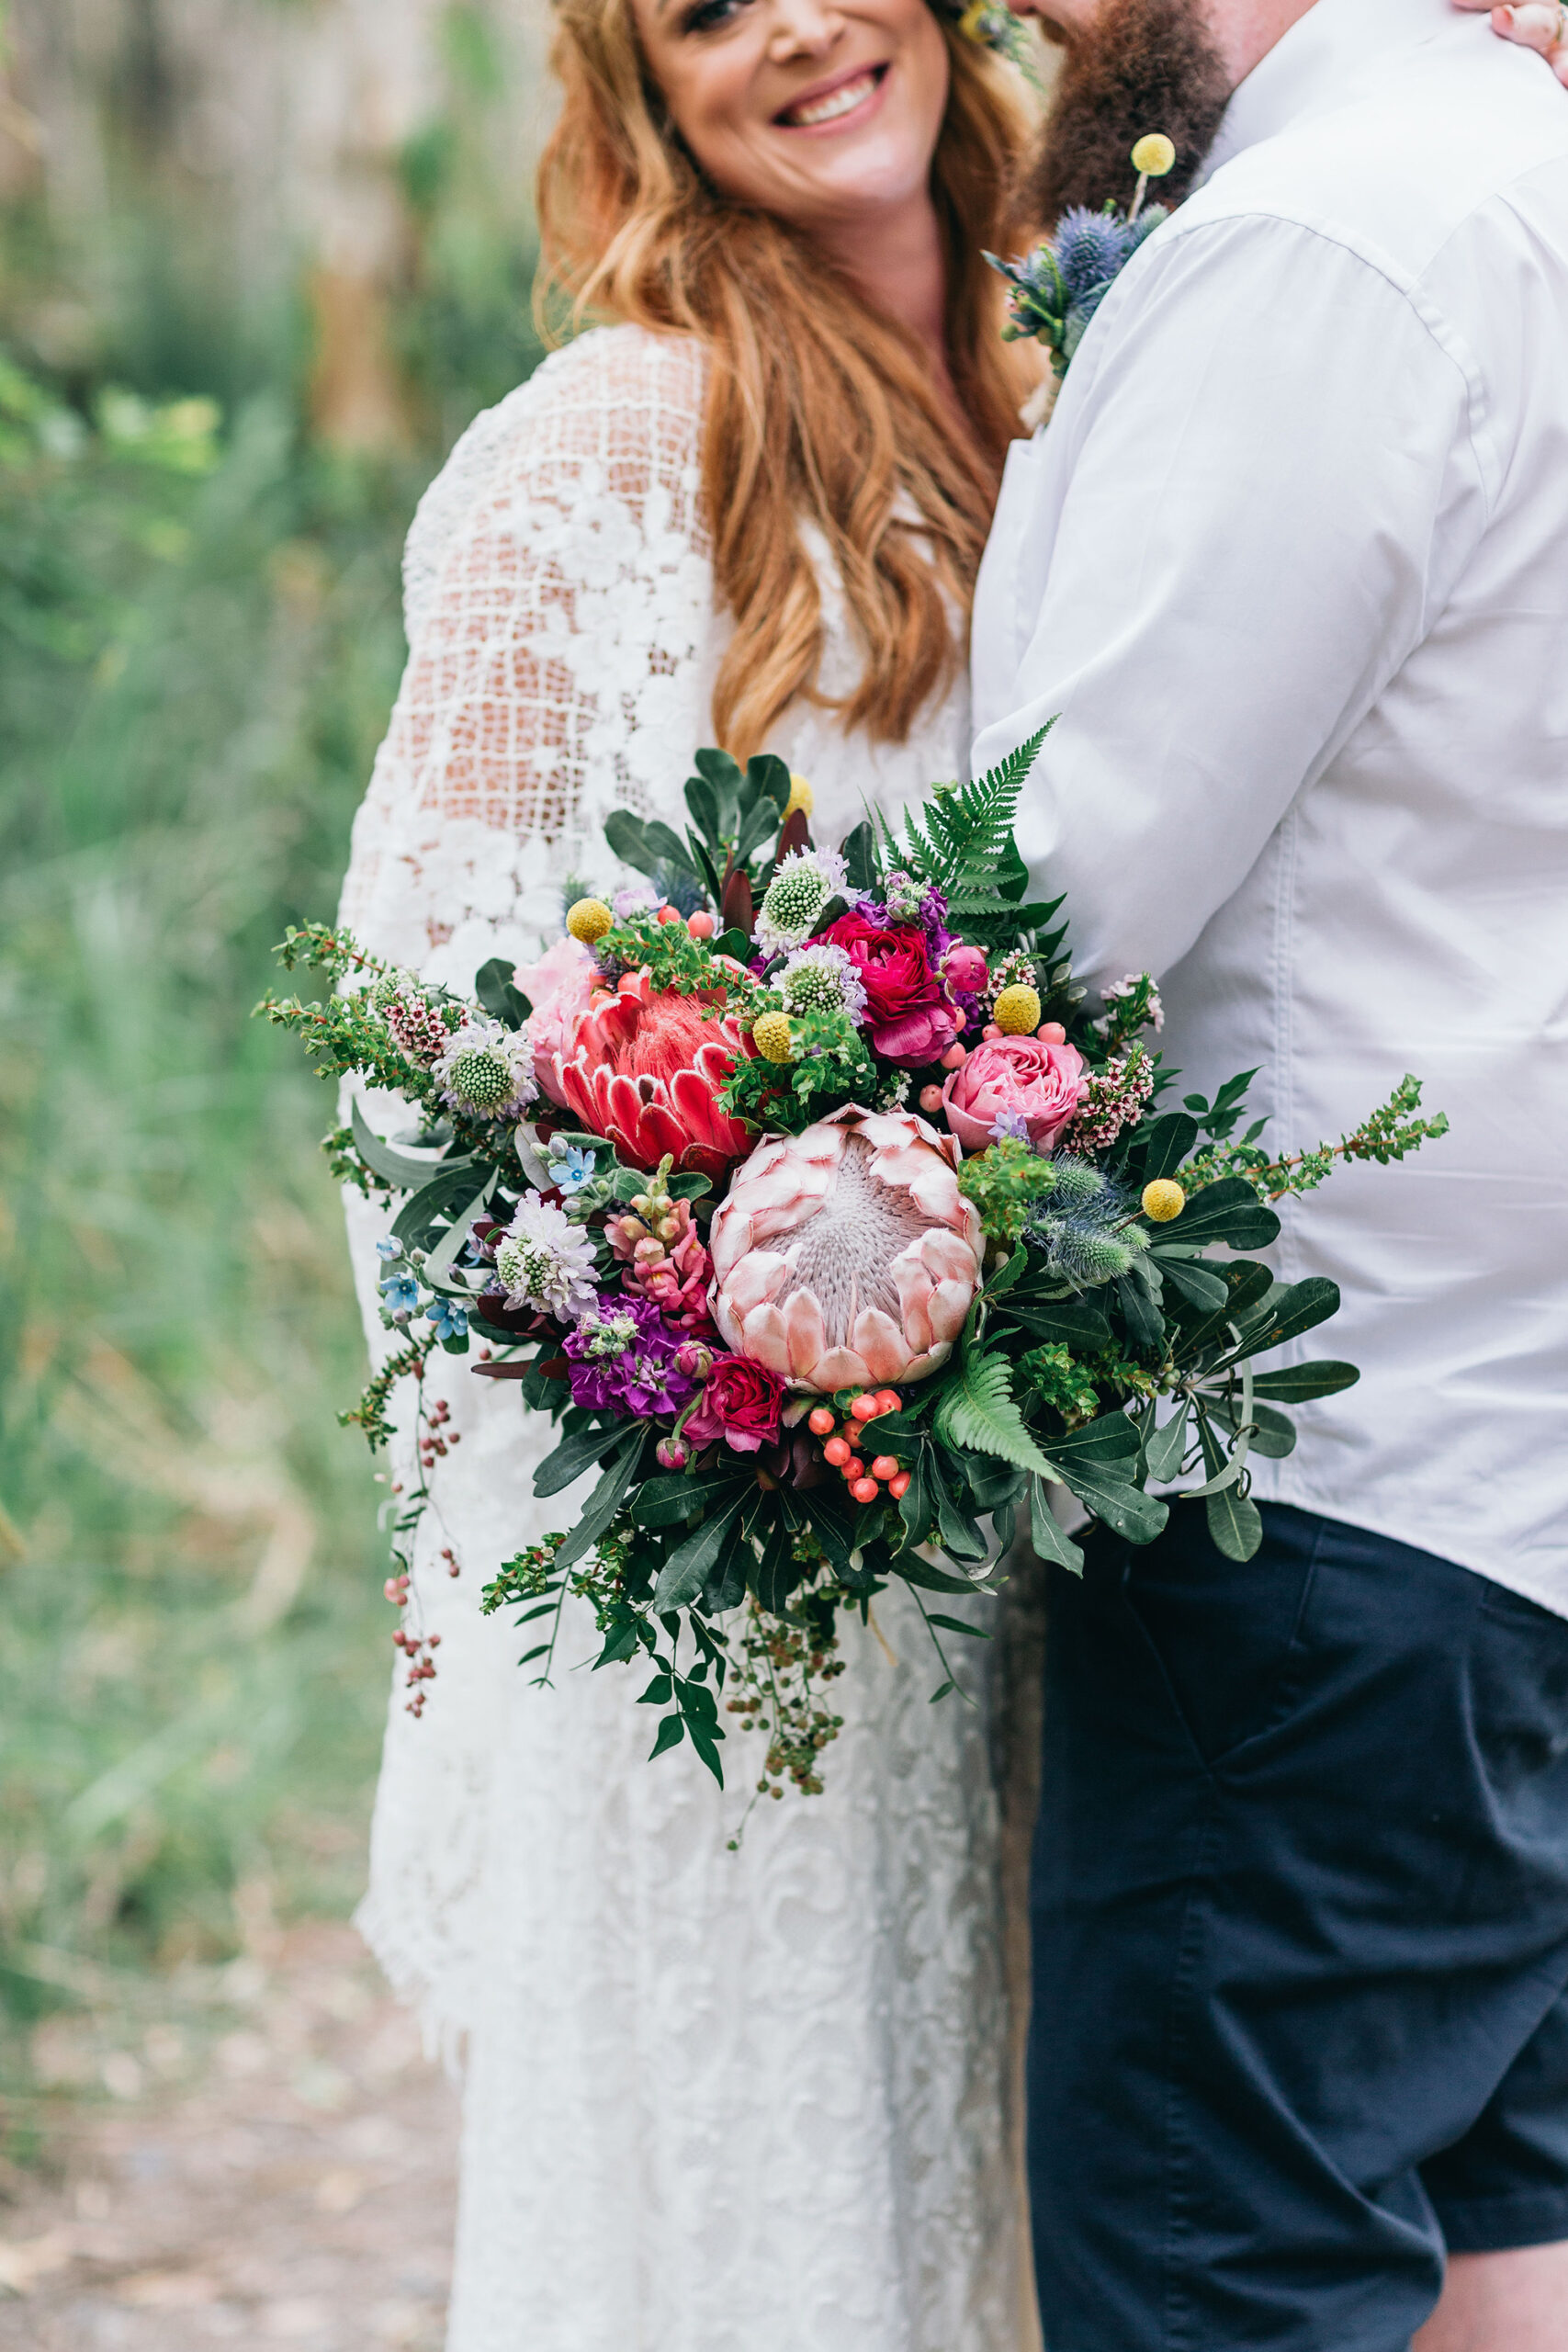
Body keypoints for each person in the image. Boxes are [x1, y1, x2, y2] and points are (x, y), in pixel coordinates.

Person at [336, 4, 1050, 2346]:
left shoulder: (1075, 349)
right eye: (707, 9)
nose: (798, 31)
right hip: (744, 1543)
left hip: (1022, 1499)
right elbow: (431, 1021)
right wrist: (696, 1290)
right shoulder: (616, 442)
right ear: (646, 89)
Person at [969, 1, 1568, 2346]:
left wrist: (704, 1124)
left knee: (1223, 2266)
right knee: (1495, 2243)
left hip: (1308, 1484)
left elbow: (1047, 896)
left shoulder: (1332, 239)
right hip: (1498, 1455)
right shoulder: (1516, 166)